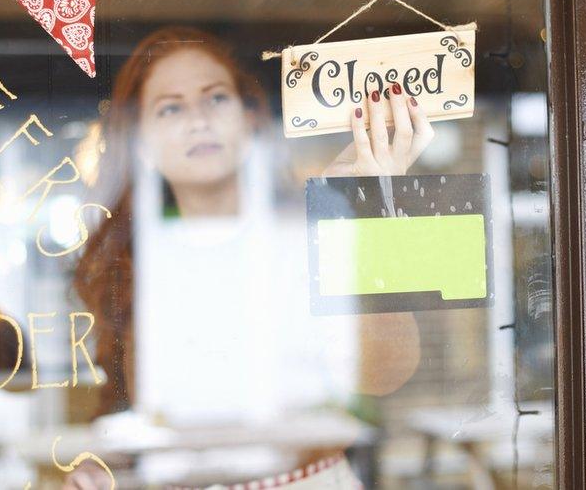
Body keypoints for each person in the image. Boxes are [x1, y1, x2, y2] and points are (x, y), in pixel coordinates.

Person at [67, 26, 435, 489]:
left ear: (250, 119)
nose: (197, 118)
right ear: (142, 141)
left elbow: (387, 373)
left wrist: (362, 212)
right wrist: (100, 470)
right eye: (171, 107)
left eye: (216, 98)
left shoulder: (304, 229)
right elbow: (128, 410)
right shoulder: (138, 264)